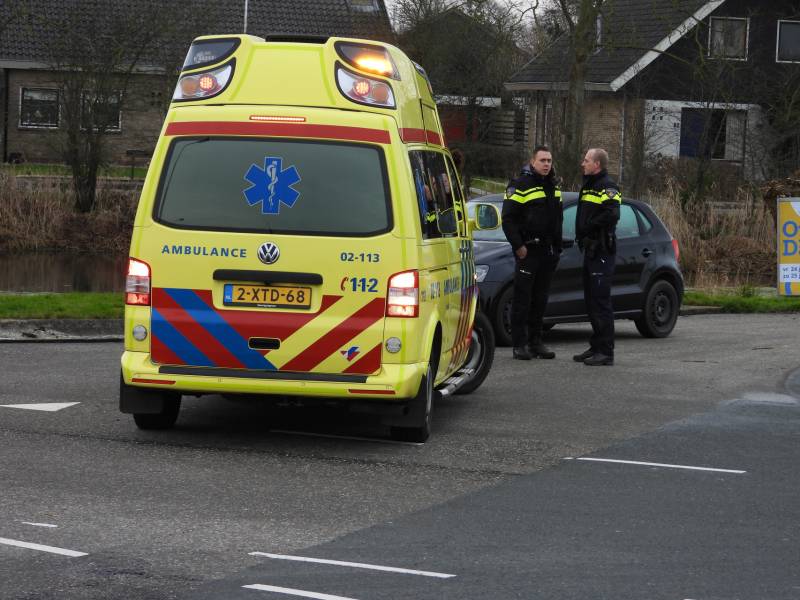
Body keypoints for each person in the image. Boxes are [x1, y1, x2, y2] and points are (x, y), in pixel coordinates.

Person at [501, 146, 563, 360]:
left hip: (548, 252)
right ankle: (519, 344)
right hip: (528, 251)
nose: (547, 164)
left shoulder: (553, 187)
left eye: (549, 160)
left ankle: (536, 342)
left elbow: (558, 221)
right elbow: (508, 219)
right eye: (543, 160)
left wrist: (557, 249)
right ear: (532, 161)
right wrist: (519, 246)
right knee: (522, 300)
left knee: (540, 300)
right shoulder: (520, 185)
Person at [573, 148, 621, 366]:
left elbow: (612, 213)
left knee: (601, 302)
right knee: (591, 301)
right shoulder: (590, 185)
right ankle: (596, 345)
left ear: (597, 164)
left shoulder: (608, 186)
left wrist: (589, 227)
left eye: (586, 160)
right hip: (591, 251)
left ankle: (606, 352)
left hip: (601, 251)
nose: (583, 163)